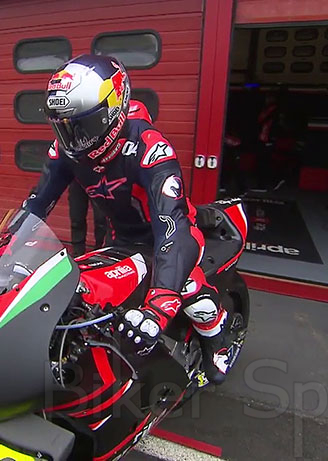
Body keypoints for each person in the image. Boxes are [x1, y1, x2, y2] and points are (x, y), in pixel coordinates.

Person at [22, 54, 234, 384]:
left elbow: (172, 227)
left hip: (170, 235)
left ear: (114, 110)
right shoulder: (65, 150)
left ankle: (217, 339)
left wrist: (159, 307)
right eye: (65, 126)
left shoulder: (150, 147)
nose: (74, 139)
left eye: (83, 126)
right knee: (84, 291)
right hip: (121, 239)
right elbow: (36, 205)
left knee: (187, 289)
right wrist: (3, 253)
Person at [68, 181, 108, 256]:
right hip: (77, 180)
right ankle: (77, 250)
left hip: (97, 180)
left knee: (101, 219)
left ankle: (100, 249)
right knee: (76, 217)